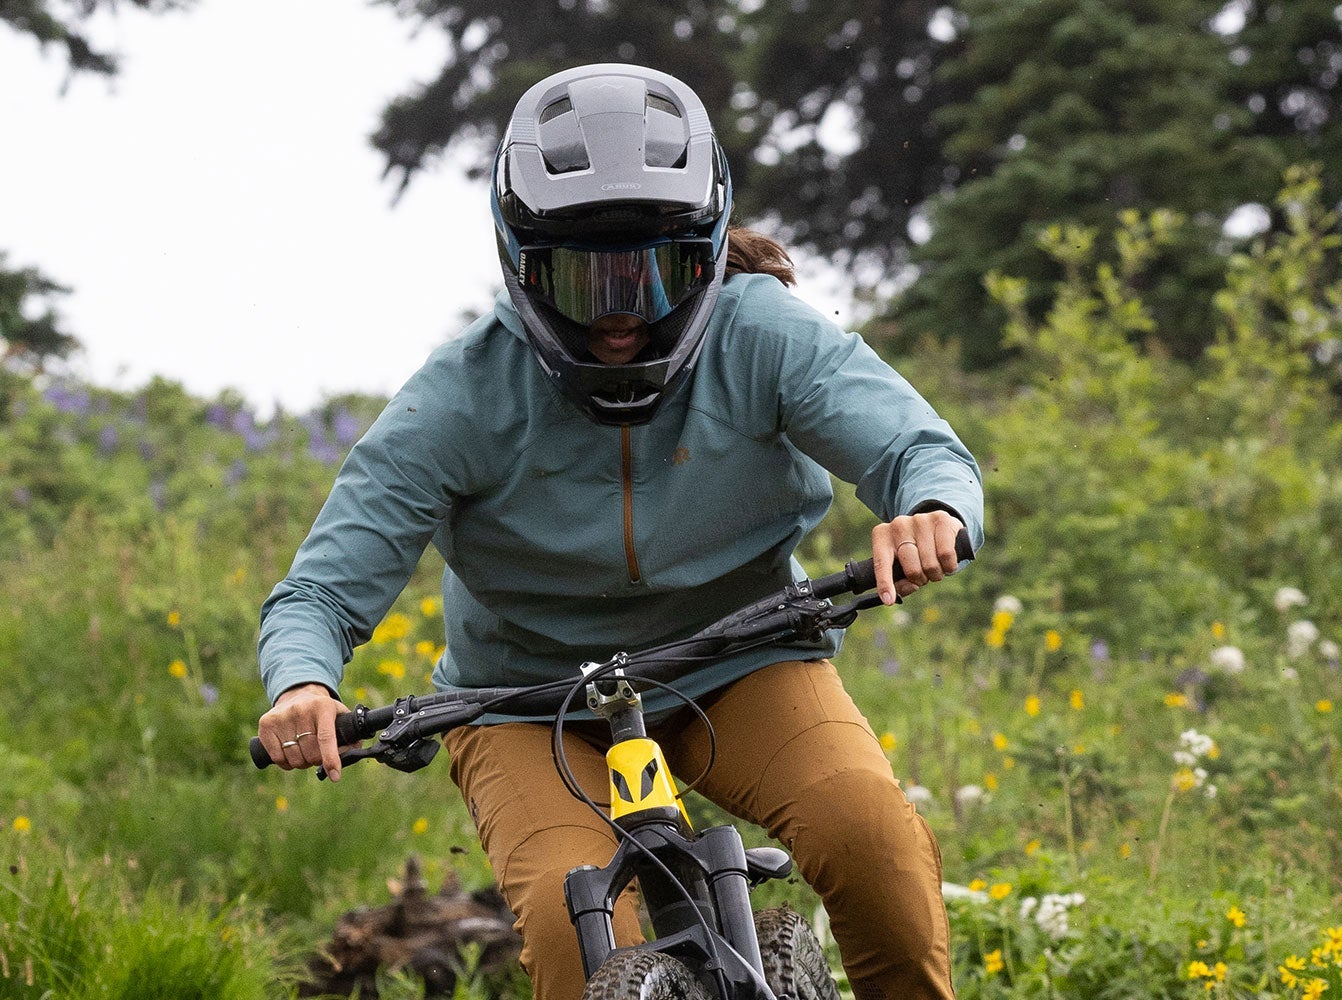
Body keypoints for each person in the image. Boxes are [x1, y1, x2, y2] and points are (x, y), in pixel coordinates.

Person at [255, 63, 981, 1000]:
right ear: (519, 262)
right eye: (581, 277)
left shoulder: (765, 334)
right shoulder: (463, 395)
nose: (621, 315)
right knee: (573, 928)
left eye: (657, 270)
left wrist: (932, 511)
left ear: (711, 251)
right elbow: (323, 585)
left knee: (871, 834)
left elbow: (920, 447)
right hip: (524, 703)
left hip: (741, 660)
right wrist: (304, 683)